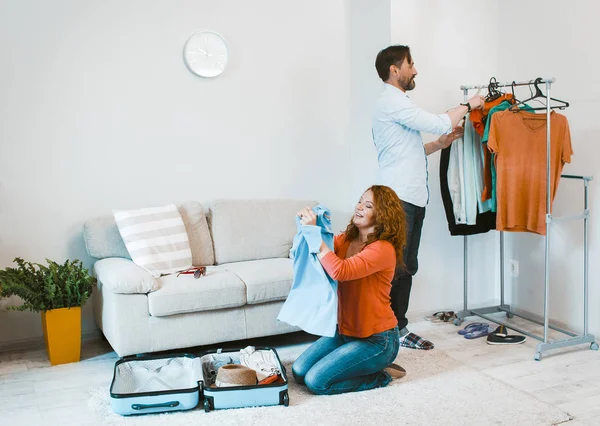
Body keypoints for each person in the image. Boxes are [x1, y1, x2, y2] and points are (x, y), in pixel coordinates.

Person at [372, 45, 485, 349]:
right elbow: (438, 120)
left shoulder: (396, 104)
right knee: (397, 268)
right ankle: (389, 332)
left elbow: (407, 153)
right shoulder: (391, 102)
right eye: (411, 64)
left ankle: (396, 329)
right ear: (395, 70)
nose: (415, 70)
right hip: (398, 200)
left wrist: (439, 144)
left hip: (410, 197)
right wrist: (468, 104)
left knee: (406, 265)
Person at [292, 185, 408, 395]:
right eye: (360, 201)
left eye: (369, 205)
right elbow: (320, 250)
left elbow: (340, 270)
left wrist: (315, 236)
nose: (360, 207)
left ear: (383, 214)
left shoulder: (383, 249)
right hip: (345, 332)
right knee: (299, 372)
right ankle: (352, 361)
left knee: (316, 382)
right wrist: (310, 227)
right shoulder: (347, 239)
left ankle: (383, 375)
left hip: (378, 340)